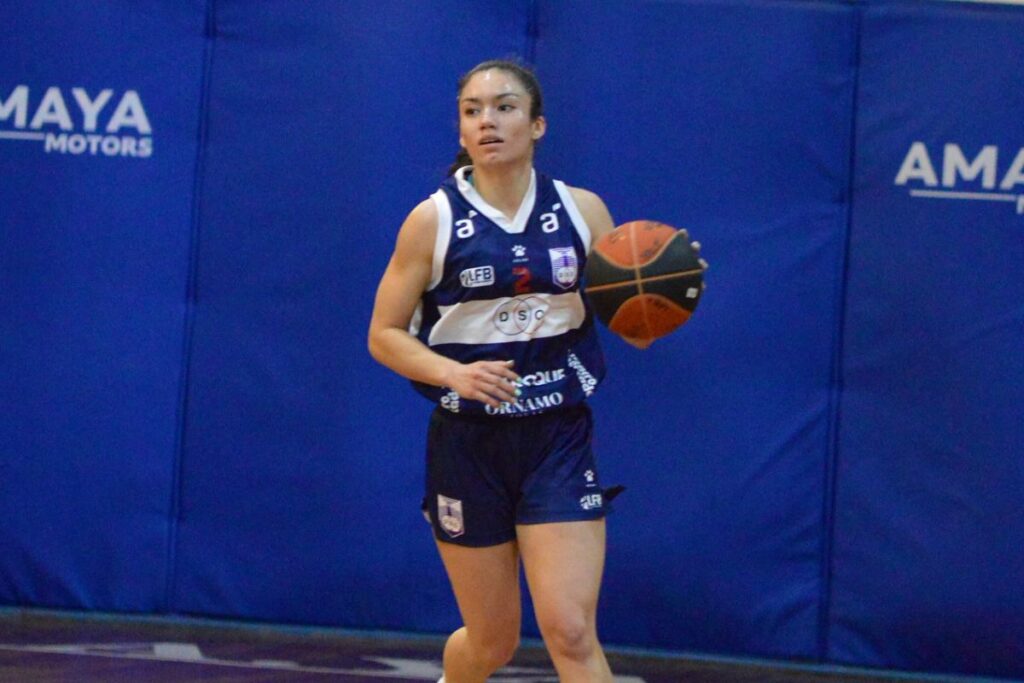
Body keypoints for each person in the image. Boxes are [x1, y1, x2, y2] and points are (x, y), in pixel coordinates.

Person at [368, 59, 626, 683]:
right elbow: (383, 335)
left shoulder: (583, 211)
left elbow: (627, 311)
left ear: (537, 124)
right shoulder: (431, 221)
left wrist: (660, 298)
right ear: (461, 132)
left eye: (505, 107)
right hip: (468, 444)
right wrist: (453, 374)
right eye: (473, 110)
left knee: (569, 629)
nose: (488, 120)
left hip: (556, 437)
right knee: (492, 642)